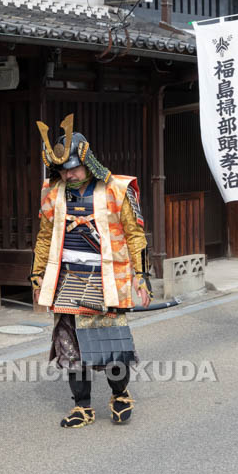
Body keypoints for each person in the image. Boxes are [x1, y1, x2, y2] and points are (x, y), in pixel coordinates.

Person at [29, 116, 151, 428]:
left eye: (73, 167)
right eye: (62, 169)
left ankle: (120, 393)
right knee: (70, 345)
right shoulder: (52, 192)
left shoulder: (117, 190)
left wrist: (142, 277)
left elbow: (136, 237)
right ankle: (82, 405)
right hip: (67, 278)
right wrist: (37, 274)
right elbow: (44, 237)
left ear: (87, 160)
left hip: (106, 279)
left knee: (112, 343)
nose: (68, 174)